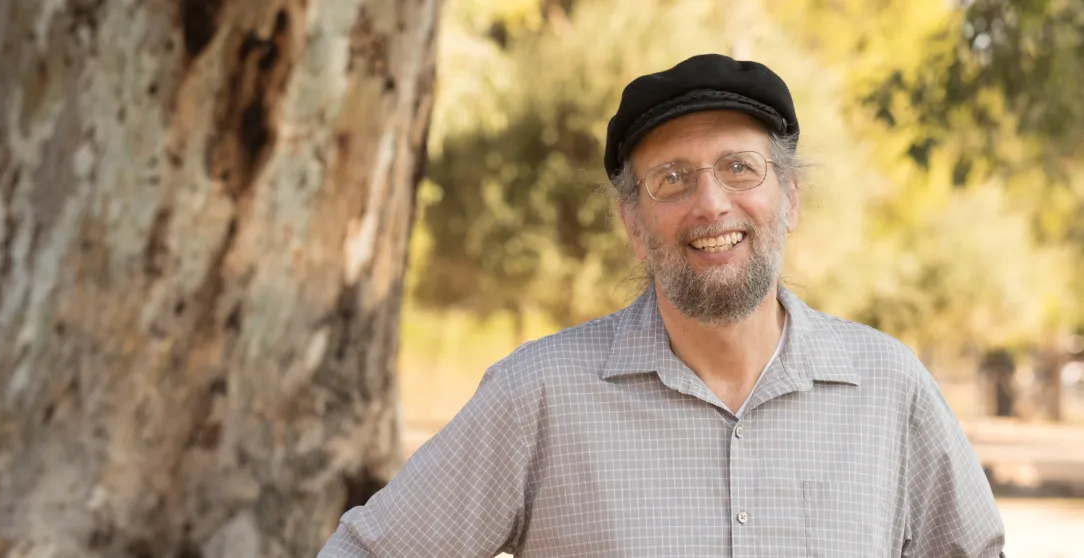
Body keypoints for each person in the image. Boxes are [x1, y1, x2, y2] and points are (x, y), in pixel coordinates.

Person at [317, 54, 1006, 557]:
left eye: (740, 168)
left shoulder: (890, 389)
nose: (711, 203)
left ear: (789, 198)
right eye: (672, 178)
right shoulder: (540, 396)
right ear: (634, 224)